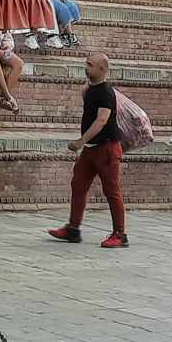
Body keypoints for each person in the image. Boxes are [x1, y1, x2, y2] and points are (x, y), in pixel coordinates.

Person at [48, 52, 127, 247]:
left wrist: (80, 141)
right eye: (86, 64)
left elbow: (101, 121)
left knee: (112, 191)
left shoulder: (105, 92)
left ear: (102, 69)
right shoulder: (91, 89)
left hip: (107, 148)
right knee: (78, 184)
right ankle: (73, 229)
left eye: (90, 65)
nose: (86, 67)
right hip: (91, 150)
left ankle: (120, 234)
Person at [0, 31, 26, 114]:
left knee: (18, 63)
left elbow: (8, 38)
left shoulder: (2, 21)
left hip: (0, 51)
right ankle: (8, 97)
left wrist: (7, 49)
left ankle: (2, 98)